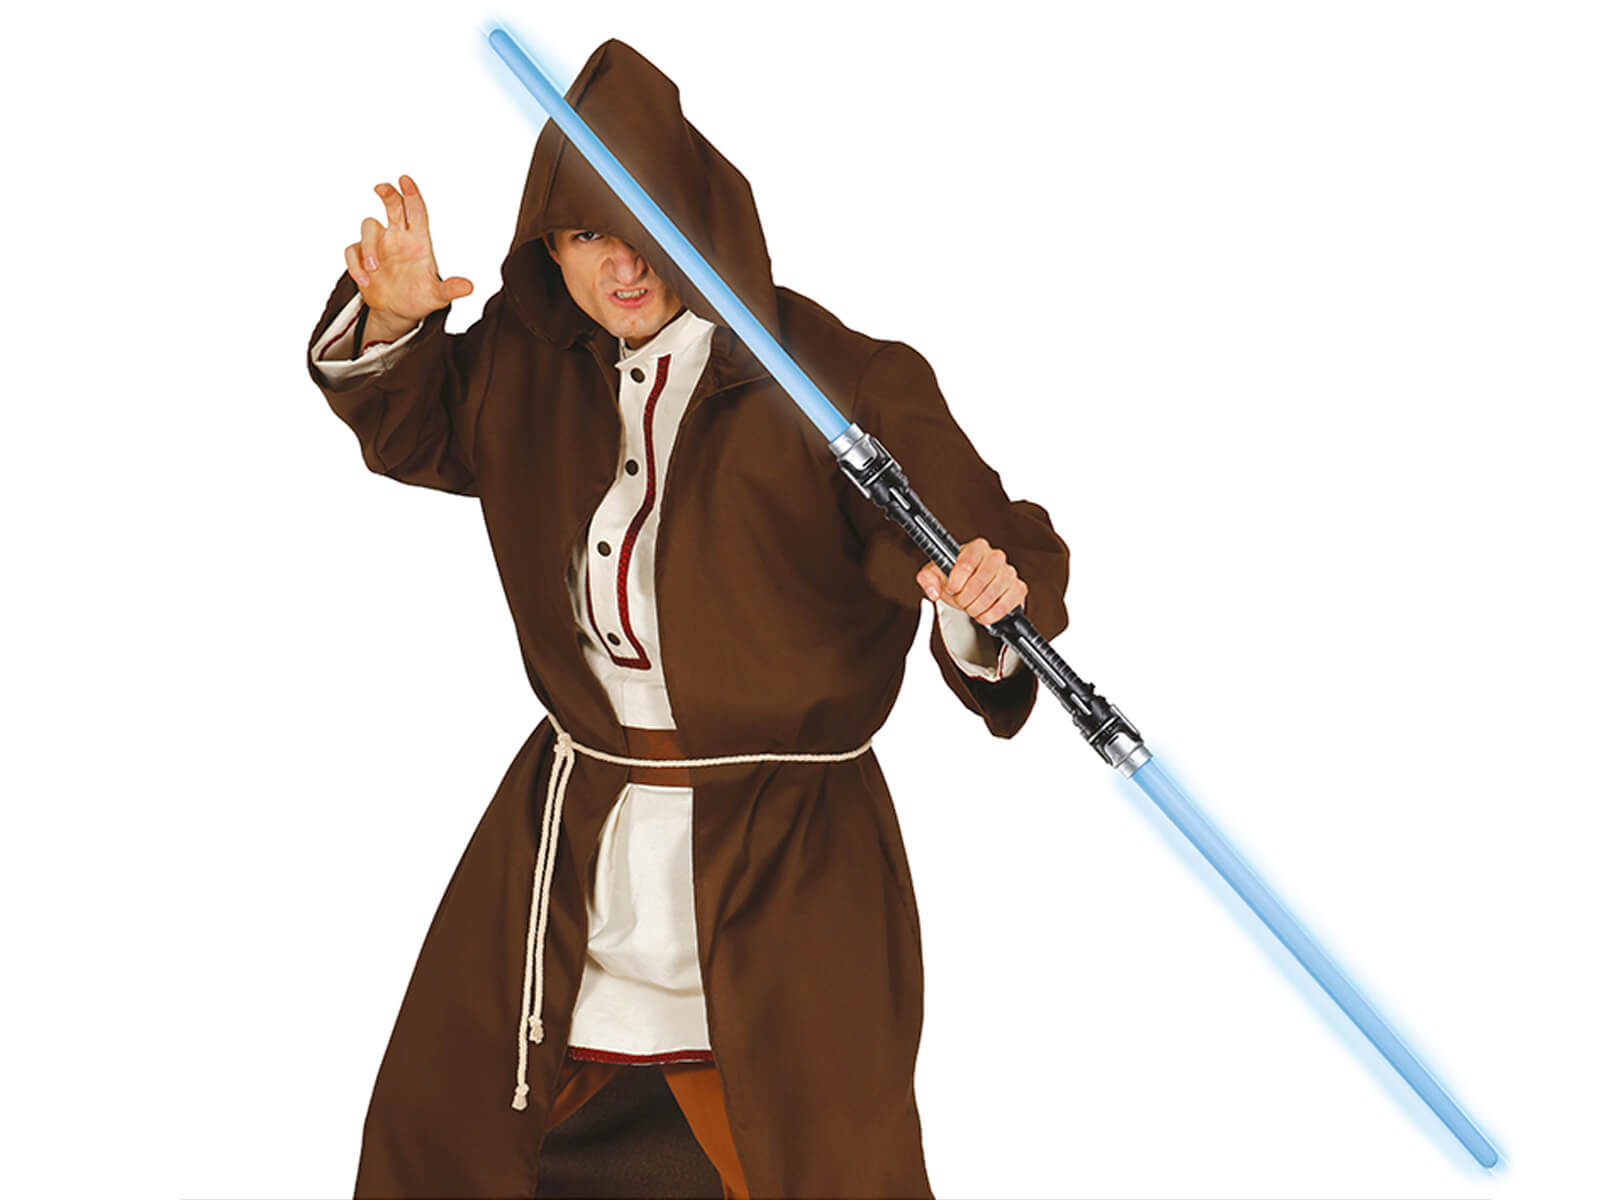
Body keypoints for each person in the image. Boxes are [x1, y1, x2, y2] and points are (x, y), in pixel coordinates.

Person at [306, 37, 1069, 1200]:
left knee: (811, 1151)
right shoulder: (529, 360)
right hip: (571, 834)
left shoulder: (841, 382)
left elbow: (972, 561)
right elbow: (421, 430)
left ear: (699, 213)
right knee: (463, 1129)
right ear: (548, 250)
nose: (622, 265)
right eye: (584, 235)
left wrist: (981, 606)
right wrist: (396, 327)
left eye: (644, 226)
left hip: (785, 854)